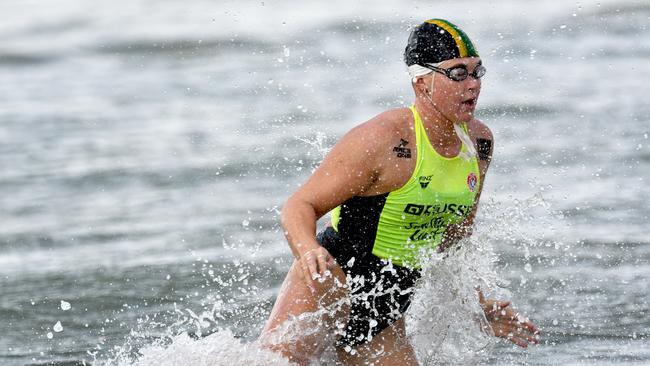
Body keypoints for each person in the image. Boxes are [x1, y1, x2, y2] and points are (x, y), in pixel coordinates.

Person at [260, 19, 540, 366]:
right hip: (329, 288)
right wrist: (307, 251)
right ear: (422, 82)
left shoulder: (479, 143)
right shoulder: (384, 139)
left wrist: (479, 307)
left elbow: (453, 238)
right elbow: (300, 205)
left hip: (386, 309)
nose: (473, 85)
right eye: (458, 74)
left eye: (477, 72)